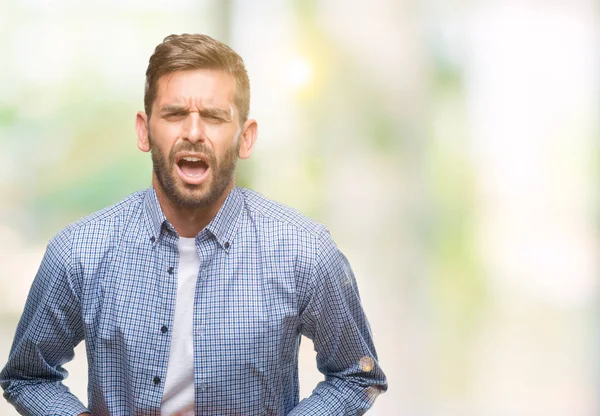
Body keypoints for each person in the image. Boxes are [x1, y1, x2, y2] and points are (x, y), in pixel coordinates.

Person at [0, 33, 387, 415]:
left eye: (215, 116)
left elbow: (356, 375)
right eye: (174, 114)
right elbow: (27, 376)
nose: (194, 132)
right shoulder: (78, 251)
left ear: (245, 138)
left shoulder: (305, 250)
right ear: (144, 129)